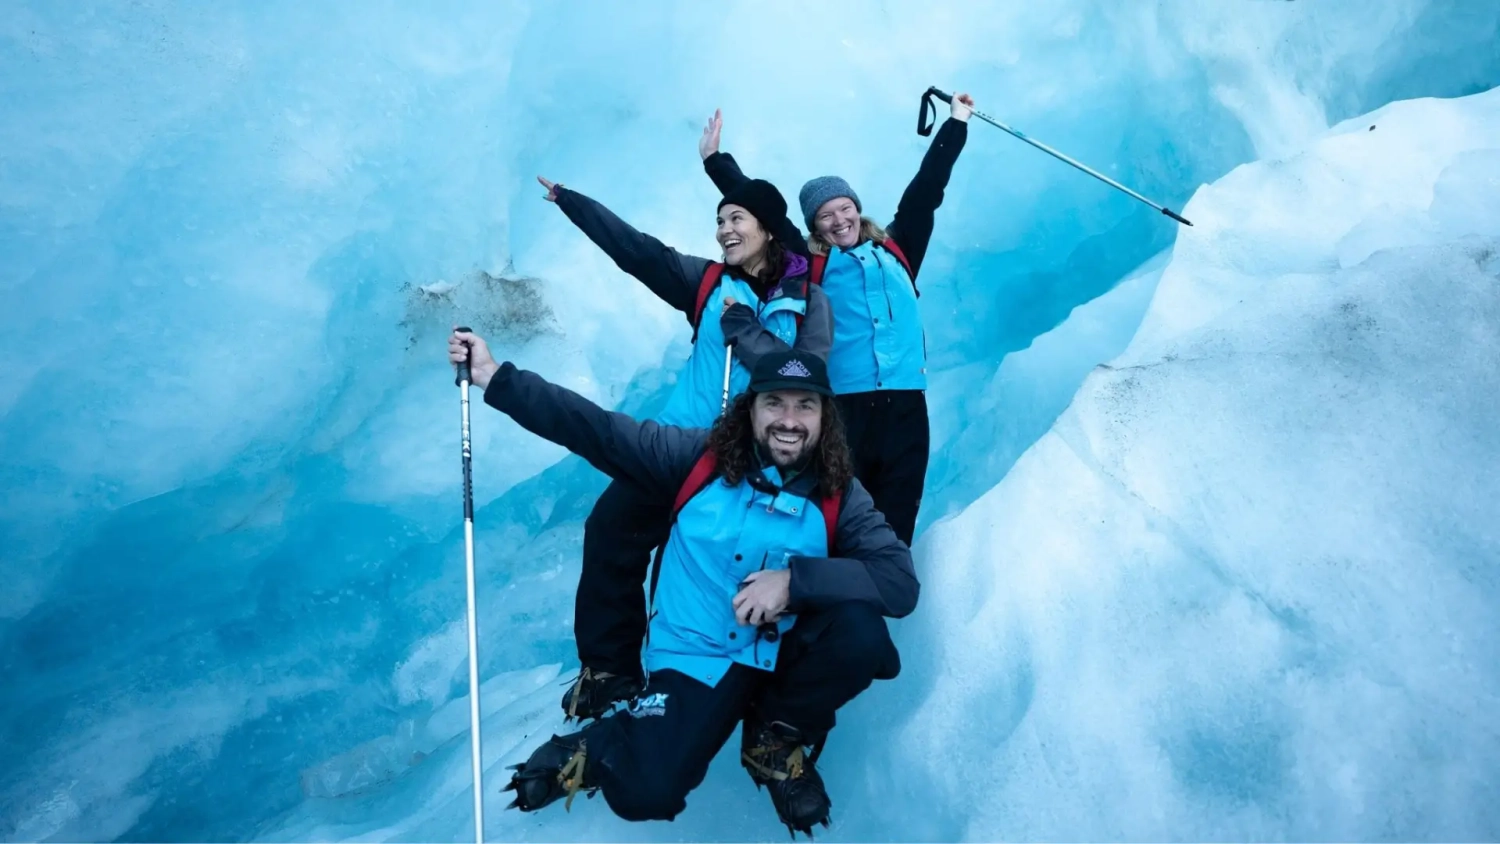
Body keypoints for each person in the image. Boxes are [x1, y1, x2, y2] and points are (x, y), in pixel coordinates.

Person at [448, 329, 917, 836]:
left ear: (825, 418)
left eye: (805, 406)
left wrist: (793, 582)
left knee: (862, 634)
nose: (788, 420)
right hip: (698, 656)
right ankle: (599, 742)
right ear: (751, 409)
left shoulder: (840, 495)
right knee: (645, 791)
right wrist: (495, 377)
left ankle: (774, 740)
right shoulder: (696, 460)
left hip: (781, 653)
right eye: (774, 403)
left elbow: (897, 582)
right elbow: (597, 430)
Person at [537, 111, 833, 723]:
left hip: (745, 461)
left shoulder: (806, 301)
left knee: (685, 569)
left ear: (768, 231)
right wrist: (570, 201)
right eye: (718, 220)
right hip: (677, 446)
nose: (724, 229)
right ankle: (611, 670)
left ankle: (693, 688)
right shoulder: (704, 283)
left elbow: (807, 378)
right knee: (612, 531)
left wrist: (746, 329)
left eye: (736, 219)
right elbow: (635, 252)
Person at [700, 94, 976, 548]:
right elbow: (768, 215)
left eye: (844, 208)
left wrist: (957, 122)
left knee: (898, 518)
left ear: (857, 209)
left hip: (908, 404)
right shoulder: (812, 264)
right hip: (847, 409)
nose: (838, 219)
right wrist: (715, 162)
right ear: (815, 226)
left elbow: (927, 189)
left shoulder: (898, 249)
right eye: (826, 215)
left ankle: (878, 604)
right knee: (841, 518)